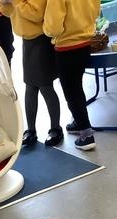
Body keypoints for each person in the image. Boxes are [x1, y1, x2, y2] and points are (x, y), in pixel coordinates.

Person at [0, 0, 63, 147]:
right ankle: (31, 130)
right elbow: (9, 13)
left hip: (41, 39)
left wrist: (15, 1)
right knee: (30, 86)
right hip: (27, 41)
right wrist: (4, 3)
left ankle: (56, 128)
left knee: (45, 86)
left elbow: (36, 14)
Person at [44, 0, 100, 151]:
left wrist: (46, 28)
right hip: (85, 43)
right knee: (77, 86)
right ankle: (78, 121)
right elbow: (96, 11)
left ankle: (86, 135)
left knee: (71, 92)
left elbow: (53, 27)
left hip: (66, 46)